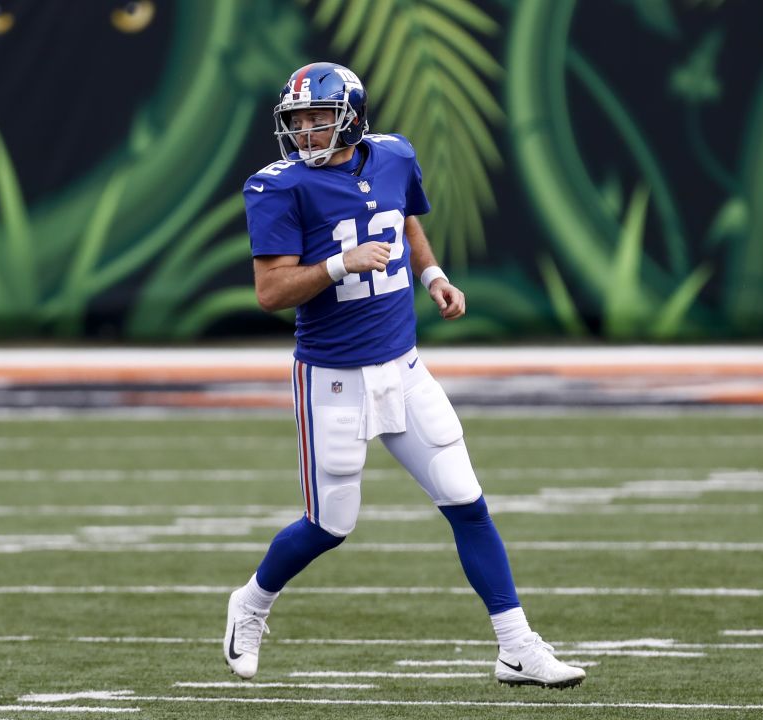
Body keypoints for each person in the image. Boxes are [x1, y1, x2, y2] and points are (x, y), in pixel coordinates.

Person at [225, 61, 585, 689]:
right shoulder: (278, 186)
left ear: (353, 120)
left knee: (466, 501)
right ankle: (251, 603)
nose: (307, 133)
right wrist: (340, 264)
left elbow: (404, 219)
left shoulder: (392, 155)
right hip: (332, 375)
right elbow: (270, 291)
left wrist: (433, 276)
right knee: (330, 525)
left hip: (404, 365)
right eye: (299, 121)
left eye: (318, 119)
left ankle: (516, 647)